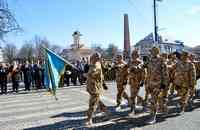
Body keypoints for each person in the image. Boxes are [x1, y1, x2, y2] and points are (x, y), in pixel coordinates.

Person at [146, 47, 169, 124]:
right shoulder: (150, 60)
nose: (151, 52)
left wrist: (164, 84)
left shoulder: (162, 60)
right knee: (159, 99)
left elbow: (165, 73)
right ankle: (164, 109)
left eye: (152, 51)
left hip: (158, 84)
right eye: (151, 51)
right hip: (151, 83)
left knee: (153, 100)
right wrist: (147, 83)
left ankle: (153, 117)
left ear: (156, 52)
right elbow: (148, 73)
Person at [85, 52, 109, 126]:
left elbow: (94, 76)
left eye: (93, 57)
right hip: (91, 88)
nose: (91, 58)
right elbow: (100, 76)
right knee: (97, 101)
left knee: (92, 104)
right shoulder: (94, 64)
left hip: (95, 88)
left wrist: (86, 75)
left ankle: (89, 119)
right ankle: (106, 112)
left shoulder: (96, 65)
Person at [128, 50, 146, 115]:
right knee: (133, 95)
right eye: (132, 54)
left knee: (134, 96)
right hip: (131, 81)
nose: (133, 56)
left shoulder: (141, 62)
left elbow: (144, 73)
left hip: (138, 81)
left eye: (134, 54)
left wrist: (143, 81)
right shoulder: (130, 62)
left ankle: (134, 109)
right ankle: (142, 103)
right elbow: (128, 70)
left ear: (138, 55)